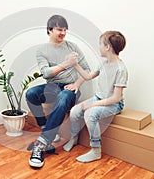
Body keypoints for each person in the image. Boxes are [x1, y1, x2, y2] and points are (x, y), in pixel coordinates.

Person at [26, 15, 91, 168]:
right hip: (52, 87)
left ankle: (41, 144)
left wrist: (76, 84)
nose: (62, 33)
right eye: (59, 30)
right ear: (49, 30)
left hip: (69, 88)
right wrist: (66, 63)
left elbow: (87, 69)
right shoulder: (42, 50)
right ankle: (46, 128)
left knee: (63, 96)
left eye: (64, 30)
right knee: (31, 94)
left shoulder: (72, 47)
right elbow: (46, 73)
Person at [63, 31, 128, 163]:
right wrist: (74, 64)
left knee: (90, 114)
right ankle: (74, 138)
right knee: (75, 110)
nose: (99, 47)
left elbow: (116, 98)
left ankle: (96, 150)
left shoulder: (121, 69)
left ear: (107, 47)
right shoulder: (103, 64)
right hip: (99, 98)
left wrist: (92, 105)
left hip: (114, 104)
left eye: (100, 44)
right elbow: (87, 77)